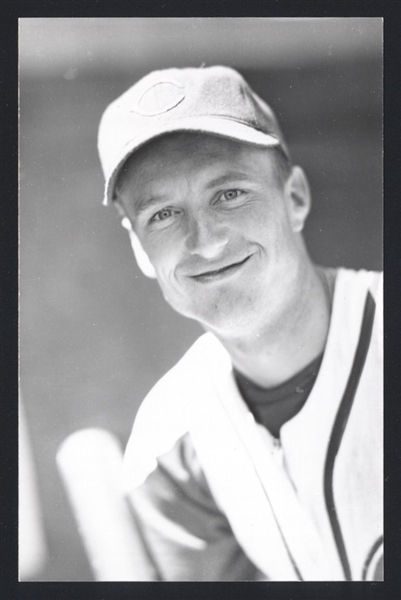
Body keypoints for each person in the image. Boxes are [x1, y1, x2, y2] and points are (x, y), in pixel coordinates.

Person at [97, 66, 383, 581]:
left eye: (229, 193)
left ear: (294, 198)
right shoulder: (168, 445)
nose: (205, 241)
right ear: (139, 248)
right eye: (163, 215)